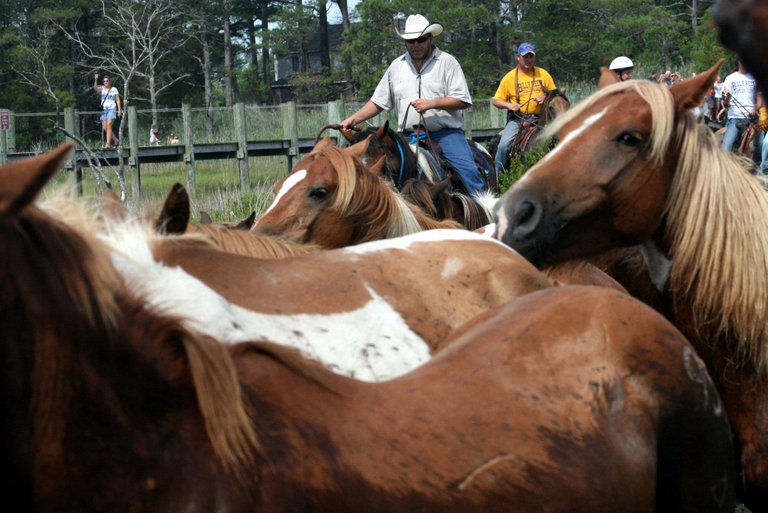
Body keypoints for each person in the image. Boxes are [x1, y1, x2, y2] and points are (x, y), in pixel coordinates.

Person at [340, 14, 484, 194]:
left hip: (445, 135)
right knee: (379, 173)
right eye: (410, 41)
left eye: (421, 40)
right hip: (407, 136)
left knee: (469, 172)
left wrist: (432, 103)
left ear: (430, 38)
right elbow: (378, 102)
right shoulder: (396, 66)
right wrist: (352, 120)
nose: (415, 45)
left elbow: (462, 100)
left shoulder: (447, 62)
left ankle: (482, 211)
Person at [490, 41, 556, 177]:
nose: (529, 60)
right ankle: (496, 180)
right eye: (526, 57)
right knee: (503, 146)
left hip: (541, 119)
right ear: (518, 57)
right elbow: (496, 100)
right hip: (518, 120)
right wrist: (509, 105)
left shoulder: (543, 74)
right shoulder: (509, 78)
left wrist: (546, 97)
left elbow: (556, 96)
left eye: (531, 56)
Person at [721, 60, 761, 152]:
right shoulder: (730, 78)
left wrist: (754, 109)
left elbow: (760, 99)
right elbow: (725, 104)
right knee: (725, 150)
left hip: (753, 120)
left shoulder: (755, 77)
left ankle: (759, 164)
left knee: (759, 147)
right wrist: (727, 97)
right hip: (735, 119)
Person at [93, 73, 122, 149]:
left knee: (109, 125)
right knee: (105, 127)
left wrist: (119, 110)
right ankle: (116, 140)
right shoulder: (102, 88)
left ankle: (108, 144)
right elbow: (95, 89)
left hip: (112, 108)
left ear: (109, 82)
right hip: (104, 109)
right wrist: (95, 80)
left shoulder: (114, 89)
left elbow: (117, 99)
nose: (105, 82)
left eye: (107, 81)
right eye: (104, 81)